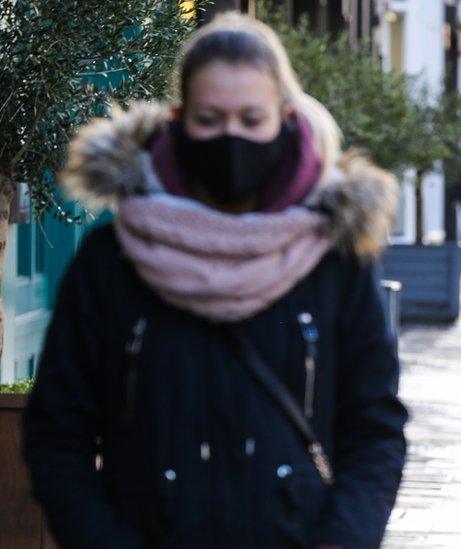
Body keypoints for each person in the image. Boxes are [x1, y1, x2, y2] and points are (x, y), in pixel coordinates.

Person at [21, 13, 407, 549]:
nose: (232, 139)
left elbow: (374, 430)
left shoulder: (335, 261)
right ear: (179, 122)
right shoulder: (111, 262)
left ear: (285, 119)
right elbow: (57, 433)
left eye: (252, 119)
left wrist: (341, 540)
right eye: (210, 119)